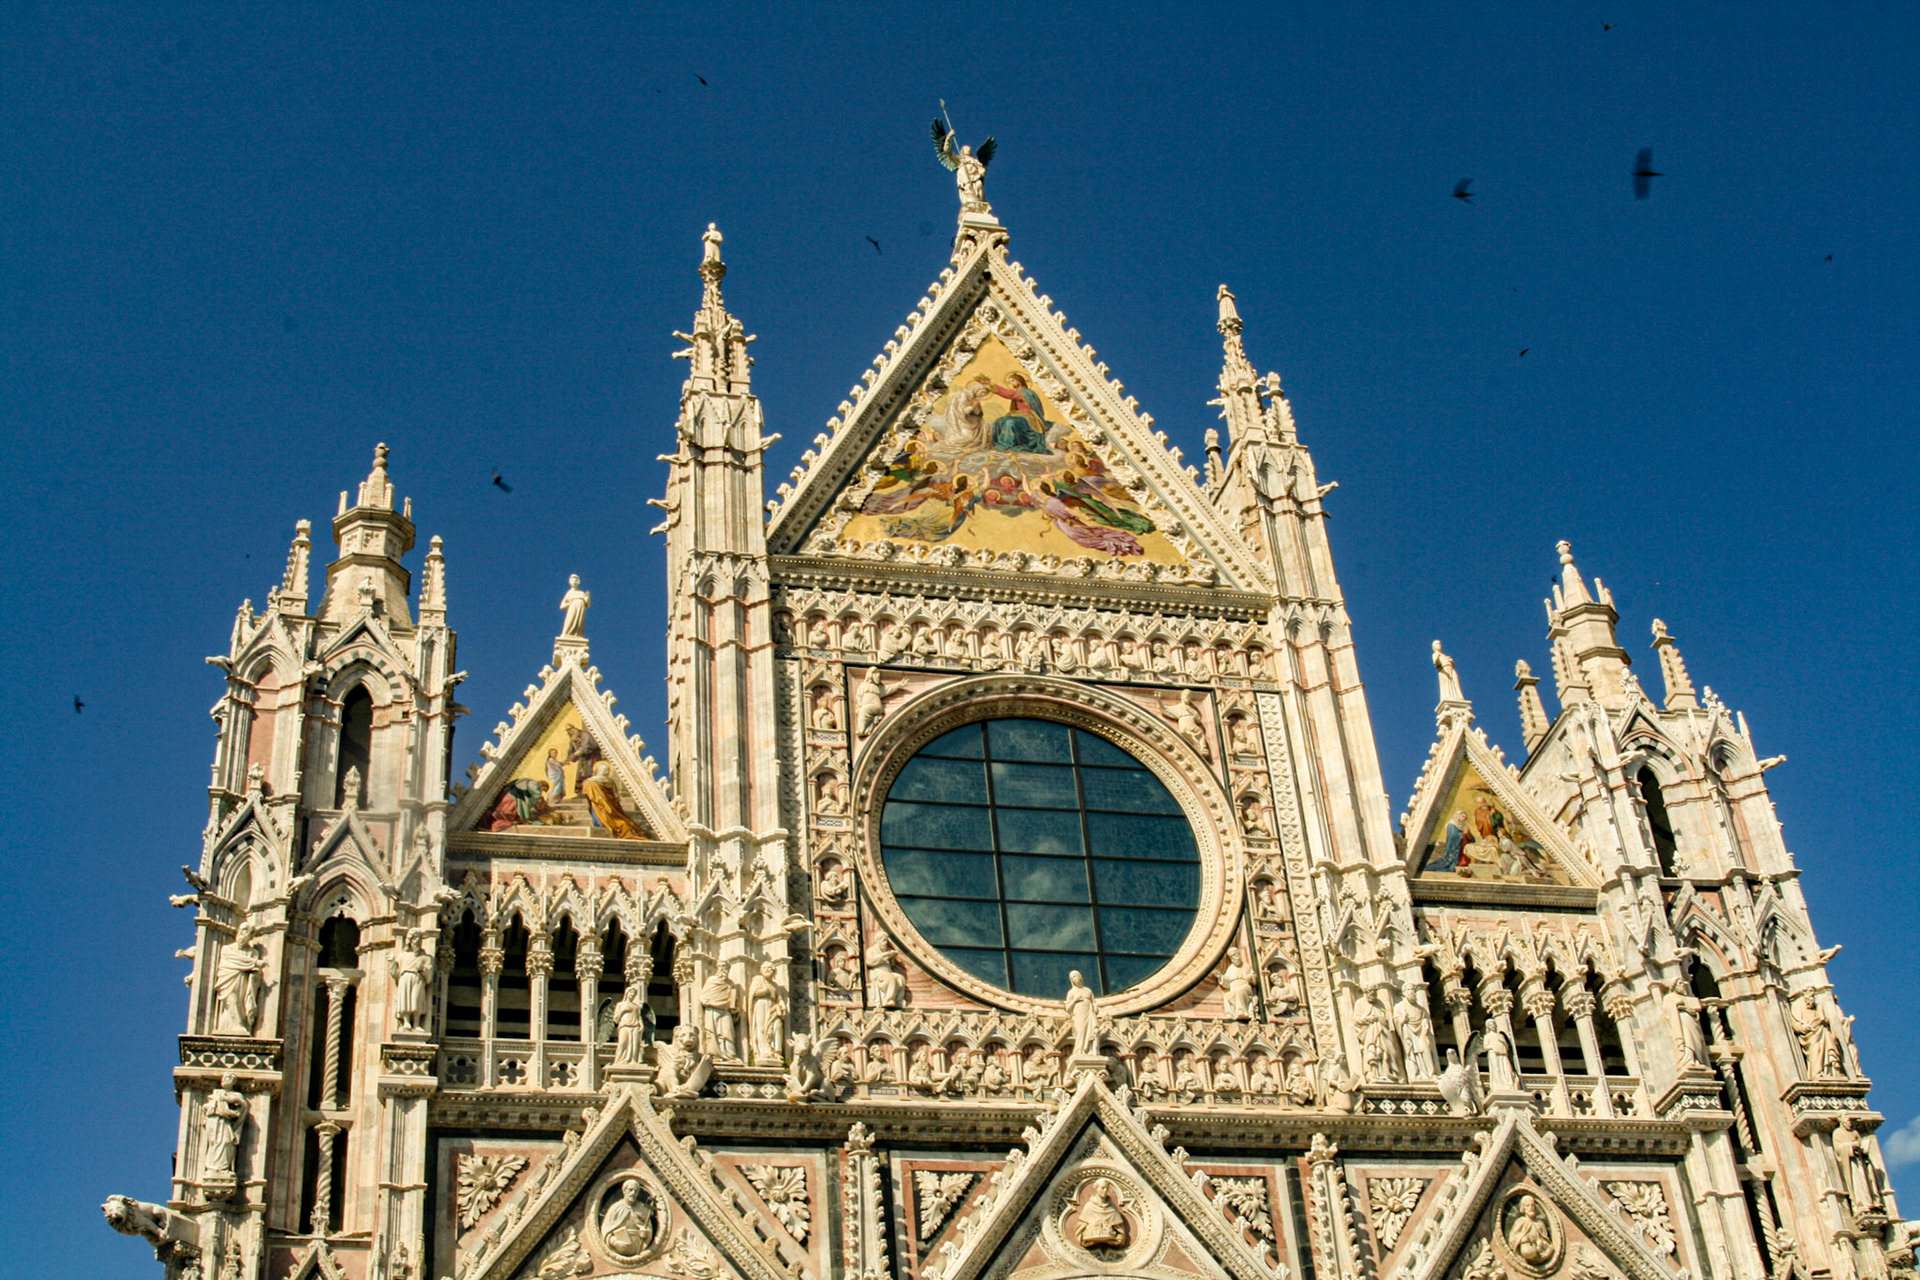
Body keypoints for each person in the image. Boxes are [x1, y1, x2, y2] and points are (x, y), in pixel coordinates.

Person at [581, 761, 645, 839]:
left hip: (599, 806)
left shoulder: (590, 782)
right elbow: (615, 796)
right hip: (611, 806)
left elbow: (589, 794)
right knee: (622, 822)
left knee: (606, 819)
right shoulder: (610, 781)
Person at [599, 1179, 654, 1261]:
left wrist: (646, 1233)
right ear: (624, 1191)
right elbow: (606, 1229)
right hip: (619, 1243)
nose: (633, 1193)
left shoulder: (642, 1209)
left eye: (636, 1191)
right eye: (630, 1190)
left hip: (638, 1245)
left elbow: (648, 1227)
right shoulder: (615, 1208)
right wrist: (614, 1241)